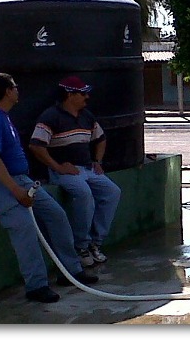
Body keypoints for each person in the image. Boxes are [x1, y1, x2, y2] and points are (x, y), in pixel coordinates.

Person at [0, 73, 99, 304]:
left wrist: (22, 186)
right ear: (7, 91)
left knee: (56, 215)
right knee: (24, 227)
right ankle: (37, 285)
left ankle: (70, 271)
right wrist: (16, 191)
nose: (18, 91)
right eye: (15, 87)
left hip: (21, 180)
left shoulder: (2, 116)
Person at [29, 76, 121, 268]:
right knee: (84, 194)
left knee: (112, 192)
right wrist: (57, 167)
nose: (87, 97)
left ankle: (96, 242)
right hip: (64, 171)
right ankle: (81, 247)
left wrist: (97, 161)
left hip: (87, 168)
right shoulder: (50, 116)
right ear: (69, 95)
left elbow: (101, 139)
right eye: (82, 93)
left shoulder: (87, 116)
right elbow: (36, 146)